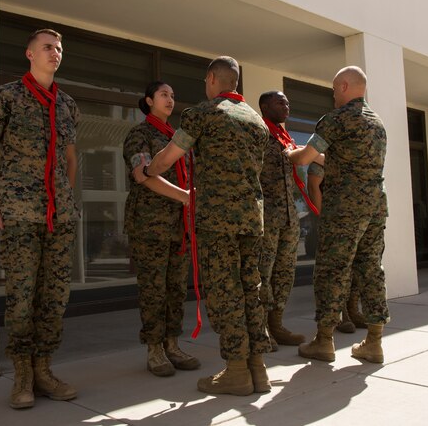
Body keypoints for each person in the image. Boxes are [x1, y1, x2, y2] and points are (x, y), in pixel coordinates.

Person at [133, 56, 271, 396]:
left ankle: (237, 371)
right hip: (252, 218)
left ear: (212, 79)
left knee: (224, 293)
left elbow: (168, 156)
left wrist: (150, 170)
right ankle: (258, 367)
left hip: (217, 220)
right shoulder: (257, 120)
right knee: (249, 290)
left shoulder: (202, 114)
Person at [0, 29, 79, 409]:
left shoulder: (67, 104)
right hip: (19, 216)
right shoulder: (5, 98)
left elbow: (69, 158)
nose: (56, 53)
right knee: (21, 299)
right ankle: (22, 376)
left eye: (60, 48)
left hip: (59, 218)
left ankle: (44, 370)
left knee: (54, 299)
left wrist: (66, 198)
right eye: (48, 47)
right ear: (29, 54)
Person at [286, 66, 390, 364]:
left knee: (333, 269)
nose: (333, 95)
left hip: (345, 207)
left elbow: (305, 158)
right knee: (371, 268)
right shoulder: (376, 122)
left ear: (345, 86)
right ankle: (374, 341)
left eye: (334, 89)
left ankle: (324, 340)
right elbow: (338, 157)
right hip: (374, 205)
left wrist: (289, 154)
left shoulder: (337, 119)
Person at [122, 81, 200, 377]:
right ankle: (154, 349)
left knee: (177, 288)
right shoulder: (139, 134)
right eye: (164, 95)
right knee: (153, 290)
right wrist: (184, 196)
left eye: (173, 94)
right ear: (149, 101)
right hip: (150, 225)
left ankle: (173, 344)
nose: (171, 99)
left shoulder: (178, 138)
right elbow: (142, 175)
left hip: (179, 226)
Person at [257, 91, 307, 350]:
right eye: (280, 102)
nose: (286, 105)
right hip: (267, 218)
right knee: (263, 274)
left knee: (285, 274)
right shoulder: (259, 134)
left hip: (289, 218)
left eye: (288, 101)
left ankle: (277, 324)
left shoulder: (286, 138)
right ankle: (261, 328)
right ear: (265, 106)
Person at [306, 162, 366, 334]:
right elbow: (313, 186)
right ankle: (342, 314)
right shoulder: (320, 157)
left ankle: (353, 310)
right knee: (337, 270)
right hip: (334, 221)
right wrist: (325, 217)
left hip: (355, 218)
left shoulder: (350, 153)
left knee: (355, 266)